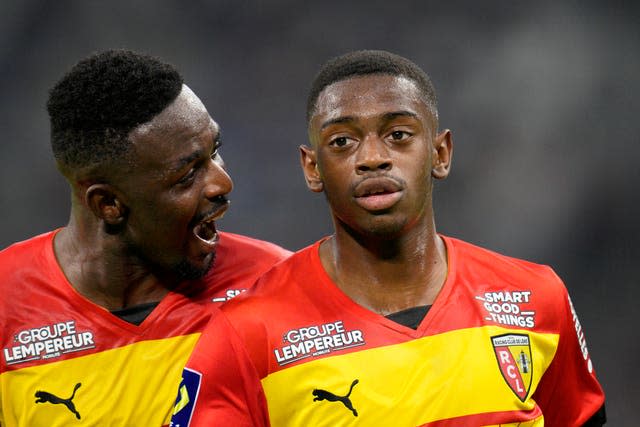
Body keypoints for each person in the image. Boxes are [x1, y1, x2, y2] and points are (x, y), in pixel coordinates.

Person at [170, 50, 606, 426]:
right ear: (312, 169)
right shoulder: (246, 333)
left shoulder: (536, 298)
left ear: (439, 153)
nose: (373, 158)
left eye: (398, 135)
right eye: (342, 141)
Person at [0, 49, 290, 426]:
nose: (223, 183)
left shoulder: (275, 286)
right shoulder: (7, 304)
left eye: (215, 152)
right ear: (108, 204)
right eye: (187, 175)